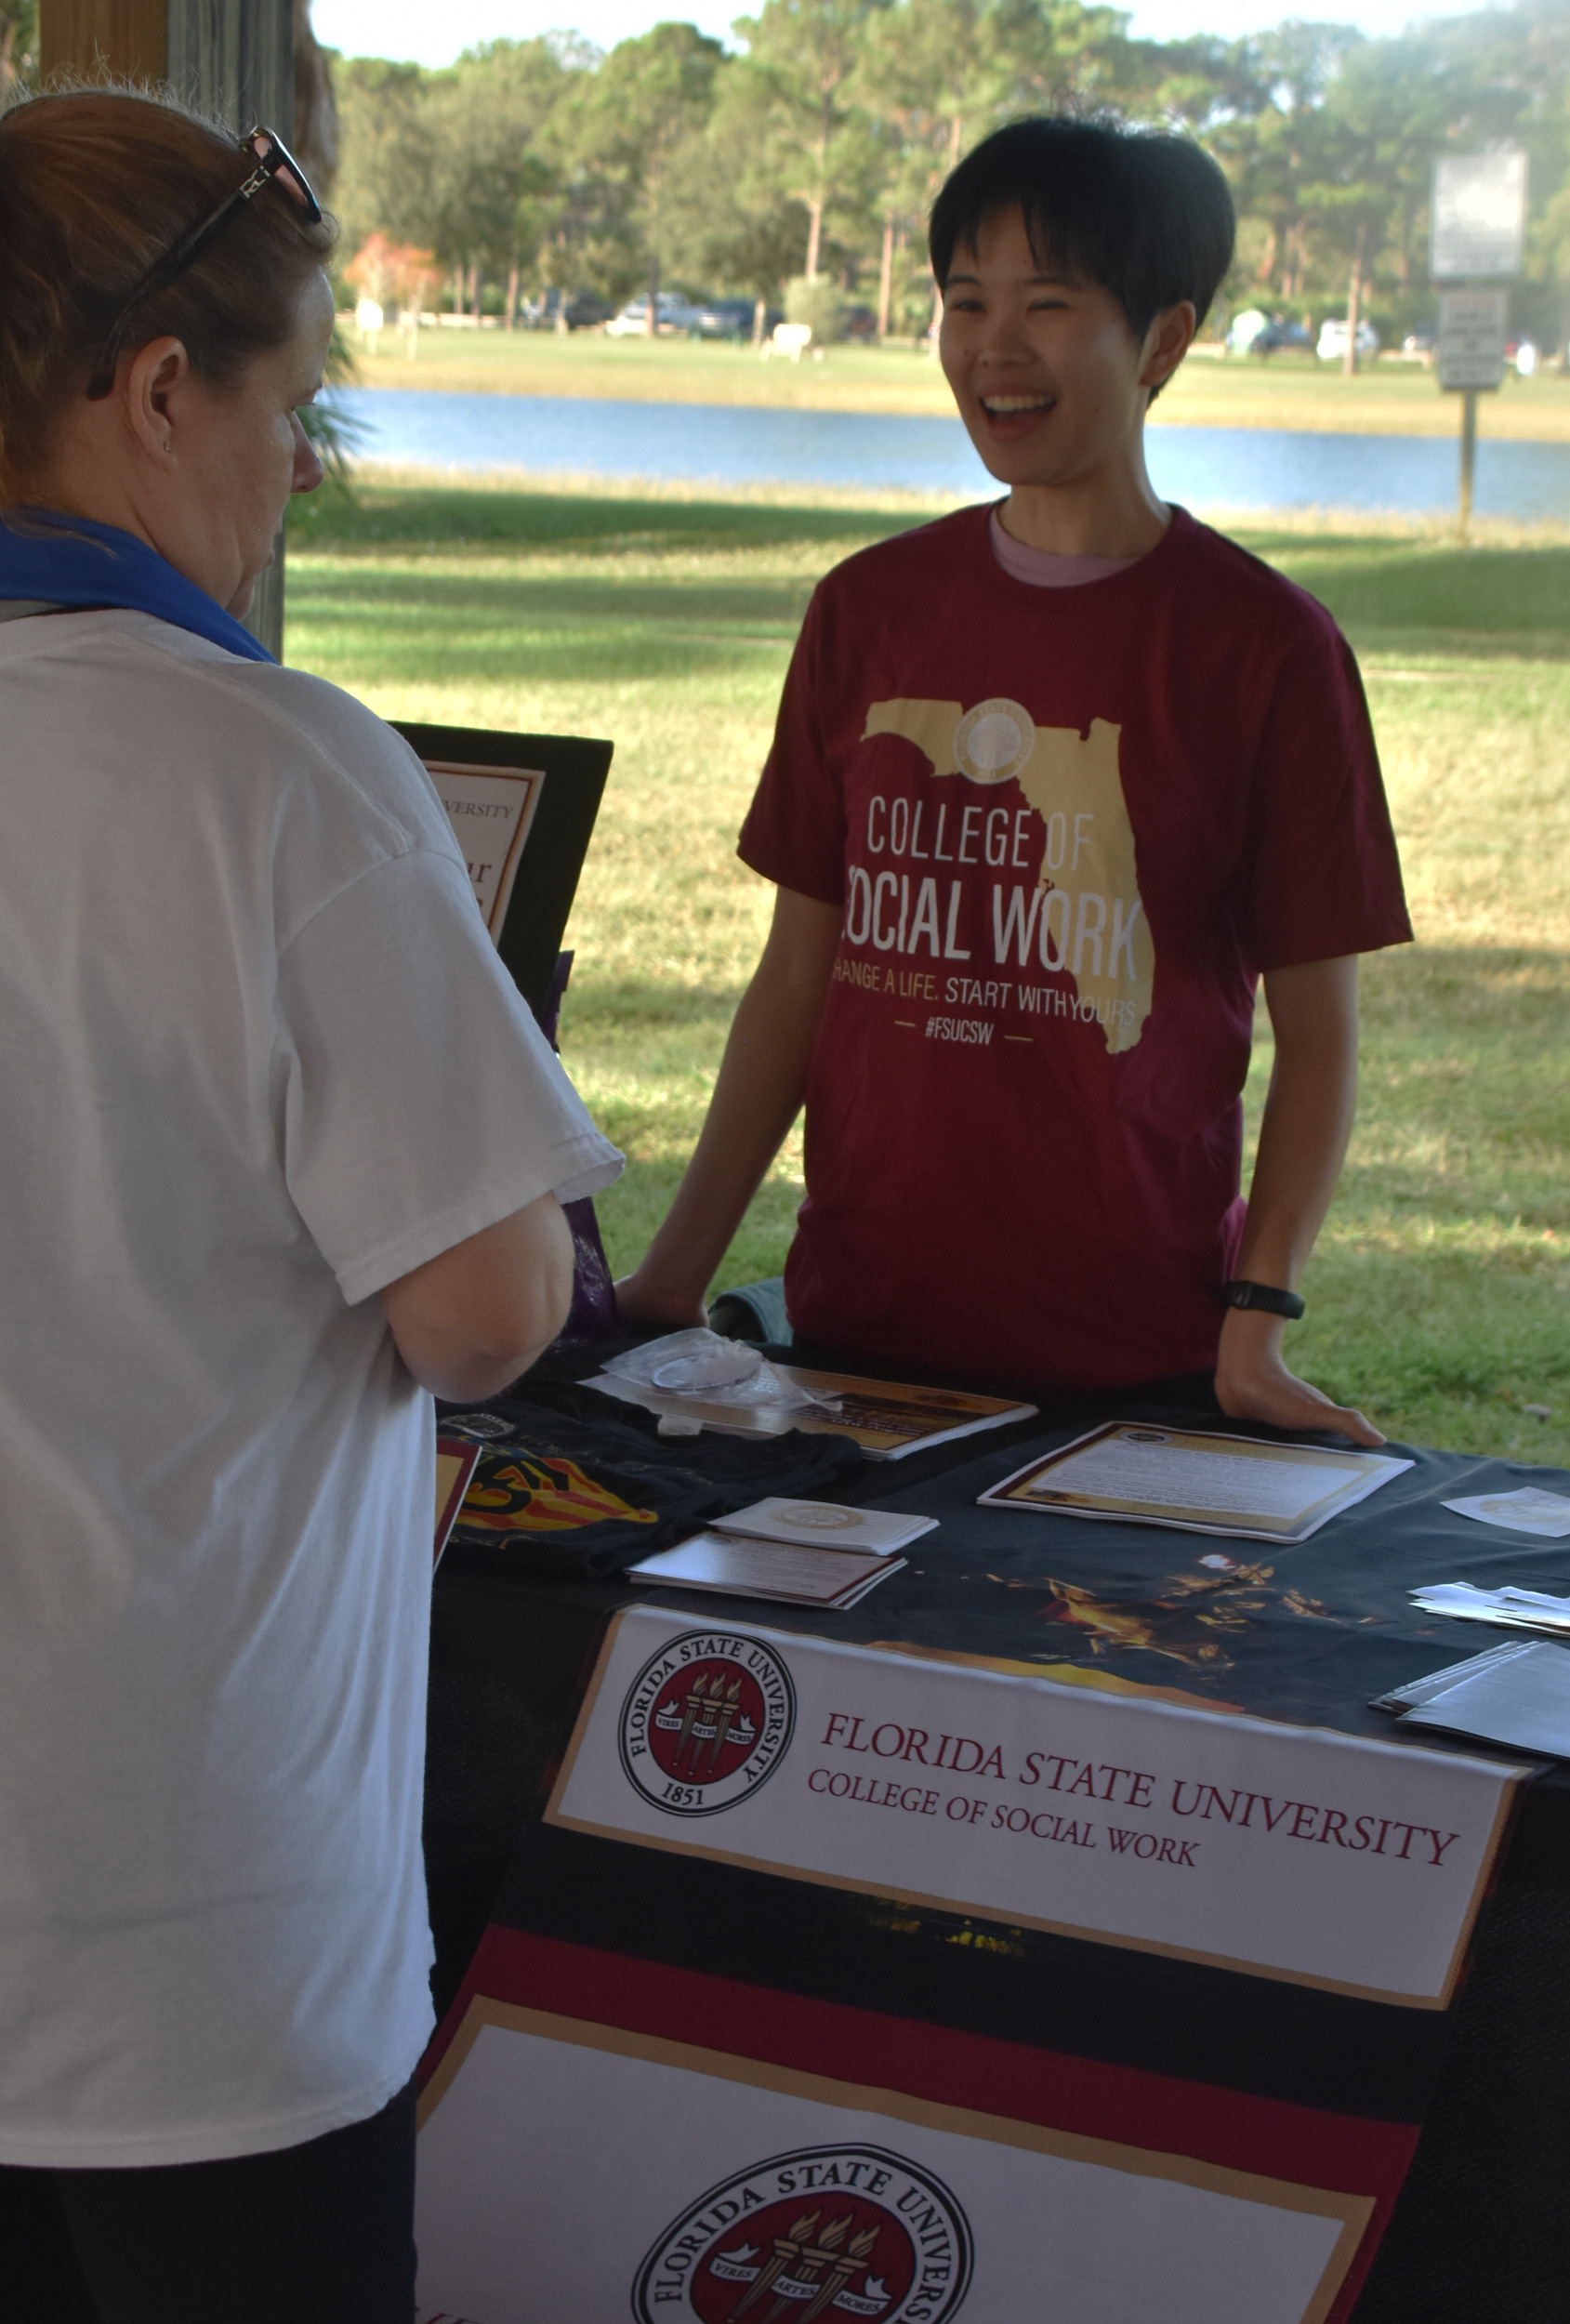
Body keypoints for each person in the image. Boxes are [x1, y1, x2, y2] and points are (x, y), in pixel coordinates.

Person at [0, 88, 620, 2320]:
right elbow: (480, 1308)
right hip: (188, 1919)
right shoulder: (274, 770)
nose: (302, 473)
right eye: (295, 412)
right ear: (160, 391)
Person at [619, 115, 1410, 1444]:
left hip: (1132, 1362)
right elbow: (798, 975)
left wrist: (1257, 1323)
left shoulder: (1267, 647)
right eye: (964, 300)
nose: (994, 345)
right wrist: (669, 1279)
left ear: (1161, 342)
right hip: (856, 1338)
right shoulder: (867, 611)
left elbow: (1319, 1033)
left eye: (1047, 305)